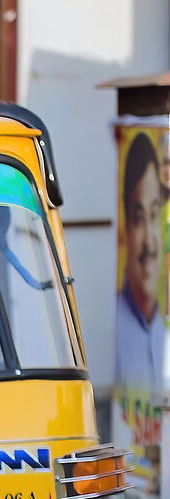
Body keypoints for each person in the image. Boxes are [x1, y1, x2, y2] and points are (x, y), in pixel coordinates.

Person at [115, 132, 168, 394]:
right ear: (125, 227)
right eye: (138, 218)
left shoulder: (163, 328)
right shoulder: (116, 328)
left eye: (154, 215)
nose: (149, 241)